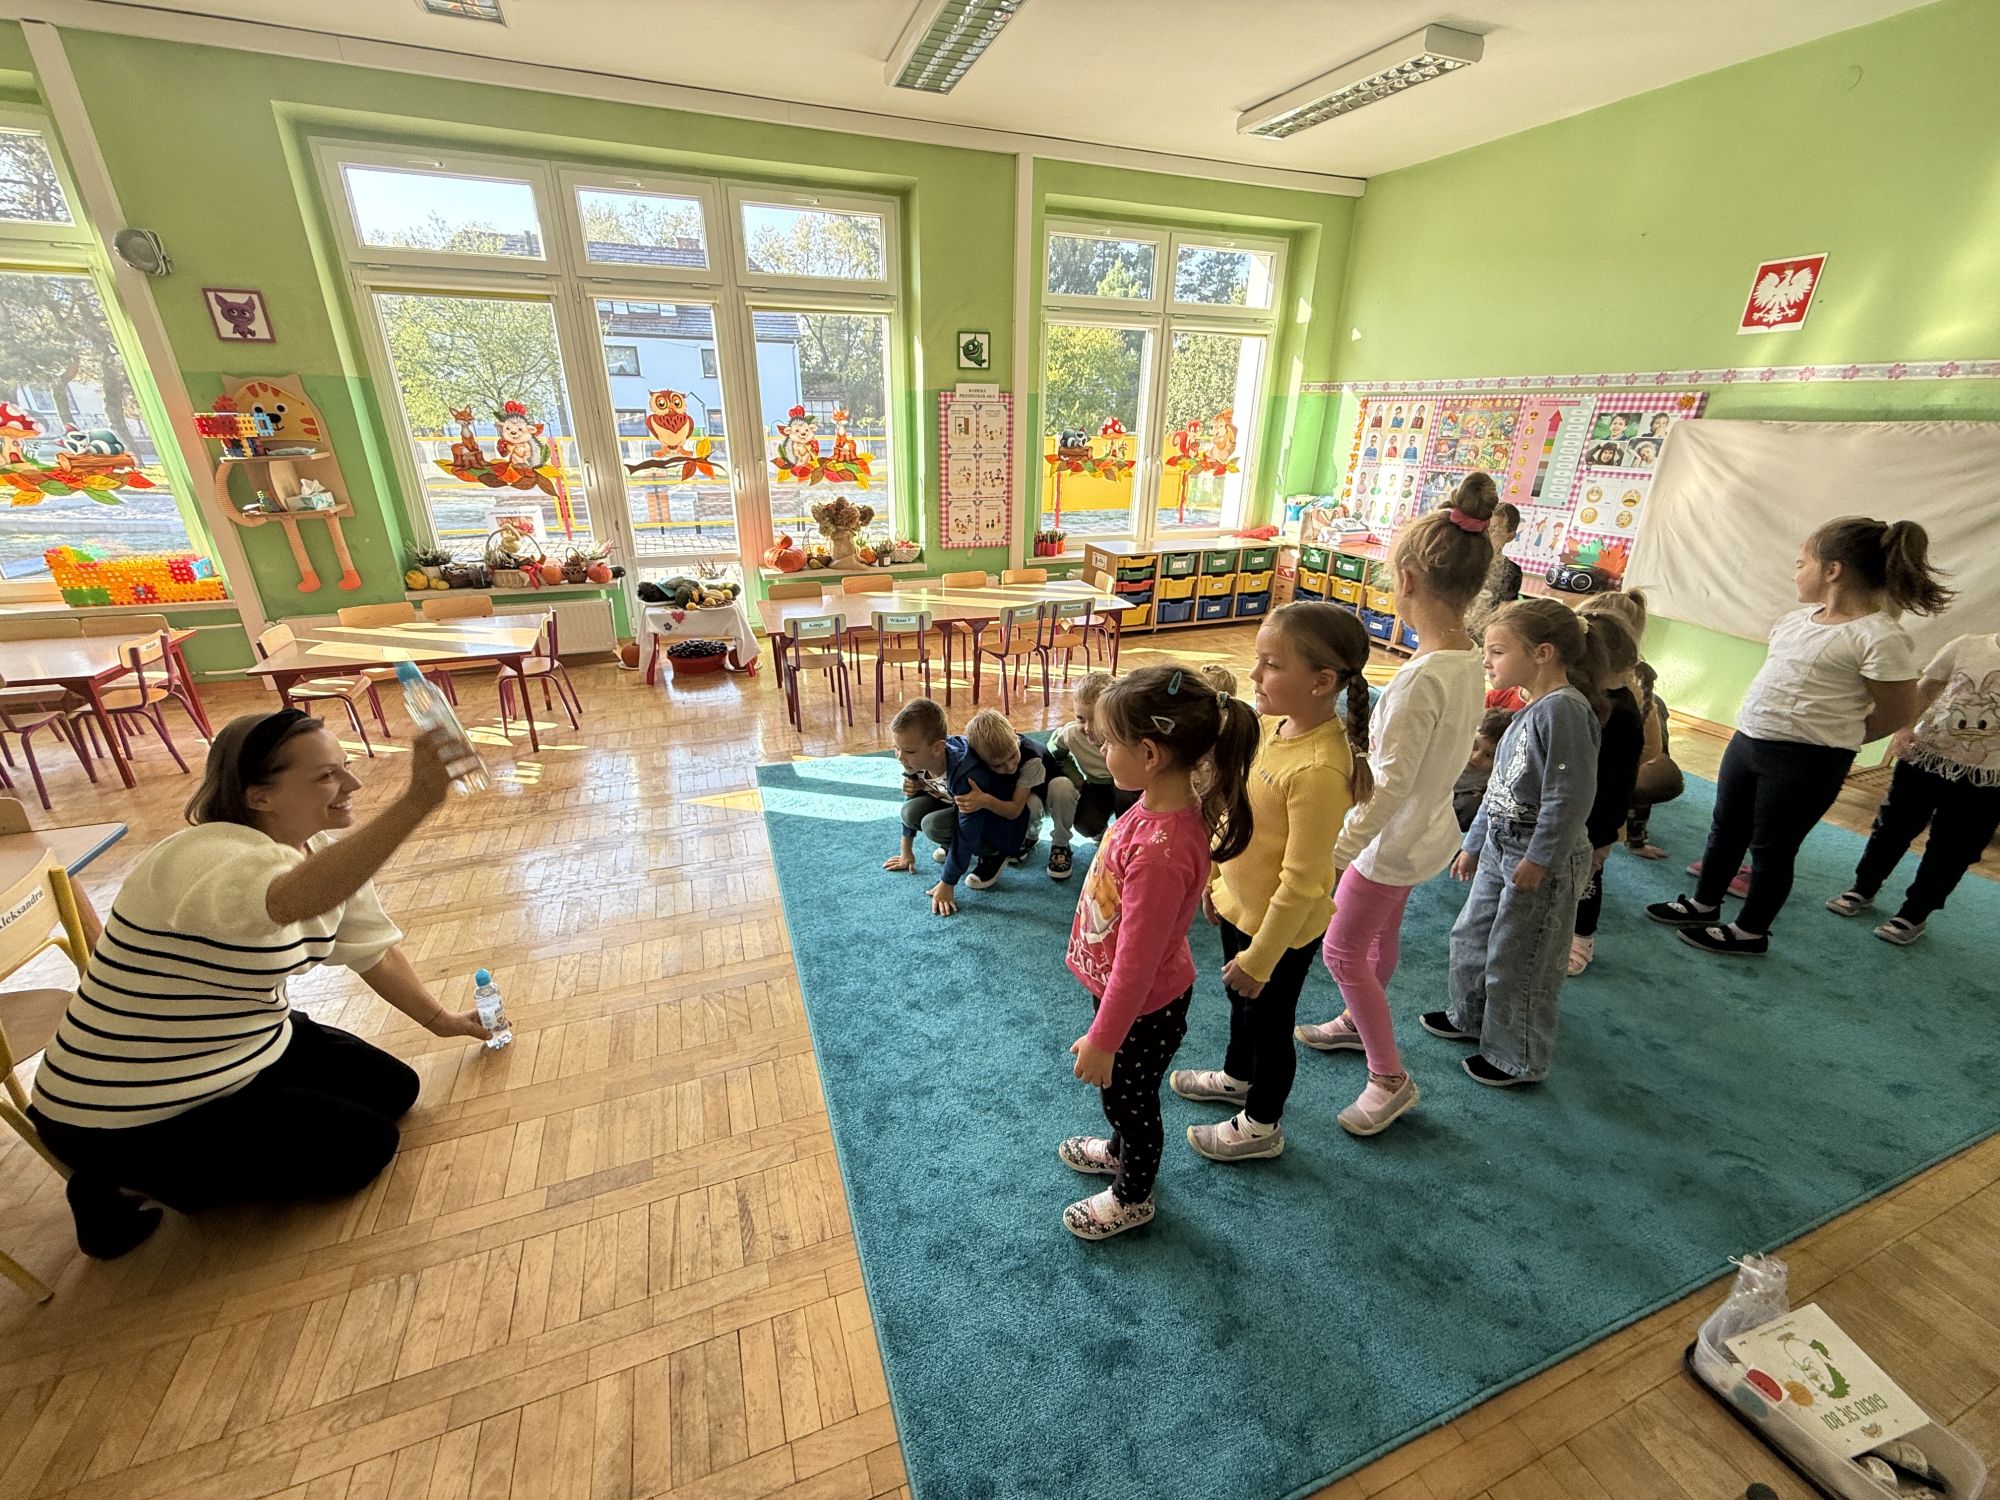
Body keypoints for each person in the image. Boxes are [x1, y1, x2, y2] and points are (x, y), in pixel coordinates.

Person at [26, 710, 490, 1259]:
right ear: (258, 796)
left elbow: (374, 951)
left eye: (344, 766)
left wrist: (442, 1022)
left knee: (394, 1090)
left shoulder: (323, 857)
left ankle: (207, 1150)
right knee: (366, 1150)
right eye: (327, 775)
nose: (353, 784)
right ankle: (108, 1182)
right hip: (123, 1112)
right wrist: (415, 802)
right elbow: (286, 900)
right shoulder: (202, 854)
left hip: (240, 1048)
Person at [1647, 518, 1953, 956]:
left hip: (1809, 761)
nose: (1795, 573)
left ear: (1833, 570)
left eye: (1801, 563)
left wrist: (1836, 736)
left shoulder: (1878, 636)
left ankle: (1751, 931)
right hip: (1748, 741)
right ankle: (1703, 902)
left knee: (1772, 847)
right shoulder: (1794, 621)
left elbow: (1898, 710)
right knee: (1726, 828)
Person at [1292, 487, 1494, 1136]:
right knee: (1378, 938)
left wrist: (1336, 855)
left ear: (1405, 581)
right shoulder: (1467, 656)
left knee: (1342, 952)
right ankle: (1358, 1023)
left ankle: (1389, 1077)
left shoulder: (1420, 679)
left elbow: (1388, 787)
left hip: (1392, 841)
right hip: (1424, 831)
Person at [1060, 666, 1258, 1240]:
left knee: (1130, 1101)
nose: (1100, 750)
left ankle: (1133, 1196)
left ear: (1148, 753)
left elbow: (1137, 964)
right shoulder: (1155, 808)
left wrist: (1104, 1038)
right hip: (1129, 999)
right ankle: (1119, 1151)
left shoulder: (1161, 852)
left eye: (1107, 742)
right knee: (1122, 1096)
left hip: (1142, 1007)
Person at [1170, 603, 1373, 1160]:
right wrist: (1217, 878)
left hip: (1280, 931)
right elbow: (1235, 808)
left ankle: (1261, 1125)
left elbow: (1304, 883)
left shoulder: (1319, 768)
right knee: (1241, 1006)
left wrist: (1261, 960)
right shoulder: (1270, 727)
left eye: (1272, 665)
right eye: (1259, 660)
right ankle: (1238, 1078)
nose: (1254, 674)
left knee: (1269, 1021)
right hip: (1242, 906)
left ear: (1322, 682)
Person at [1425, 599, 1602, 1086]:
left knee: (1521, 957)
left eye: (1498, 651)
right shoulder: (1529, 707)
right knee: (1472, 935)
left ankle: (1516, 1058)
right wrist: (1474, 843)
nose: (1487, 660)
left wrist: (1541, 858)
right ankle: (1470, 1016)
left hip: (1536, 855)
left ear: (1543, 653)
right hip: (1500, 845)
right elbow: (1499, 786)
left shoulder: (1564, 710)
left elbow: (1569, 796)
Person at [1826, 629, 2000, 944]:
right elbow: (1924, 690)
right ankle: (1863, 888)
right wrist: (1903, 729)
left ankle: (1914, 914)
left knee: (1954, 848)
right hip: (1925, 757)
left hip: (1987, 778)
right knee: (1892, 827)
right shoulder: (1967, 645)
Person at [883, 697, 1020, 914]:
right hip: (956, 806)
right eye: (896, 748)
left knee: (933, 825)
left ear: (938, 748)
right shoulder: (917, 761)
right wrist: (906, 852)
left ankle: (994, 854)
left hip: (1000, 827)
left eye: (908, 751)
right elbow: (911, 797)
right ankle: (952, 848)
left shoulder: (967, 776)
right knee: (910, 812)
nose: (900, 757)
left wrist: (948, 882)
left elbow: (968, 832)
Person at [1564, 608, 1645, 976]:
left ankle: (1581, 938)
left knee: (1587, 881)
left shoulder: (1621, 714)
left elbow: (1620, 785)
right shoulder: (1580, 700)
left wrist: (1604, 838)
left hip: (1594, 820)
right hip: (1569, 809)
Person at [962, 708, 1071, 880]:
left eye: (1012, 756)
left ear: (1015, 734)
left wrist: (986, 801)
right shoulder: (985, 759)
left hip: (1050, 795)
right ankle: (1030, 836)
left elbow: (1014, 810)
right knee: (1028, 802)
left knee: (1060, 788)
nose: (1009, 767)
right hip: (1025, 793)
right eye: (998, 765)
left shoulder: (1031, 757)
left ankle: (1061, 844)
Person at [1045, 673, 1137, 858]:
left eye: (1095, 719)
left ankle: (1129, 839)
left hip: (1128, 785)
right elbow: (1054, 752)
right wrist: (1075, 777)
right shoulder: (1071, 734)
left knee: (1129, 811)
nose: (1087, 728)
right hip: (1097, 785)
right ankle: (1103, 834)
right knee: (1084, 825)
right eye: (1080, 718)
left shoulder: (1128, 732)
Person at [1455, 709, 1515, 831]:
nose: (1475, 758)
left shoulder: (1496, 777)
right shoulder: (1450, 754)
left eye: (1489, 755)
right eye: (1474, 746)